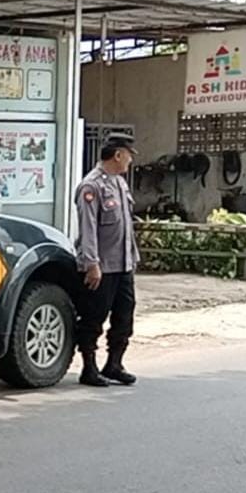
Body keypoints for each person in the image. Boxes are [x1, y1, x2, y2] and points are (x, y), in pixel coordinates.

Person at [74, 134, 139, 388]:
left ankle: (114, 364)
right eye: (129, 155)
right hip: (102, 267)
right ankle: (88, 367)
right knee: (94, 317)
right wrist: (92, 263)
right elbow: (88, 228)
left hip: (123, 264)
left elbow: (126, 226)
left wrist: (133, 258)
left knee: (124, 315)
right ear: (118, 155)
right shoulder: (91, 187)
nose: (130, 160)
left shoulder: (119, 183)